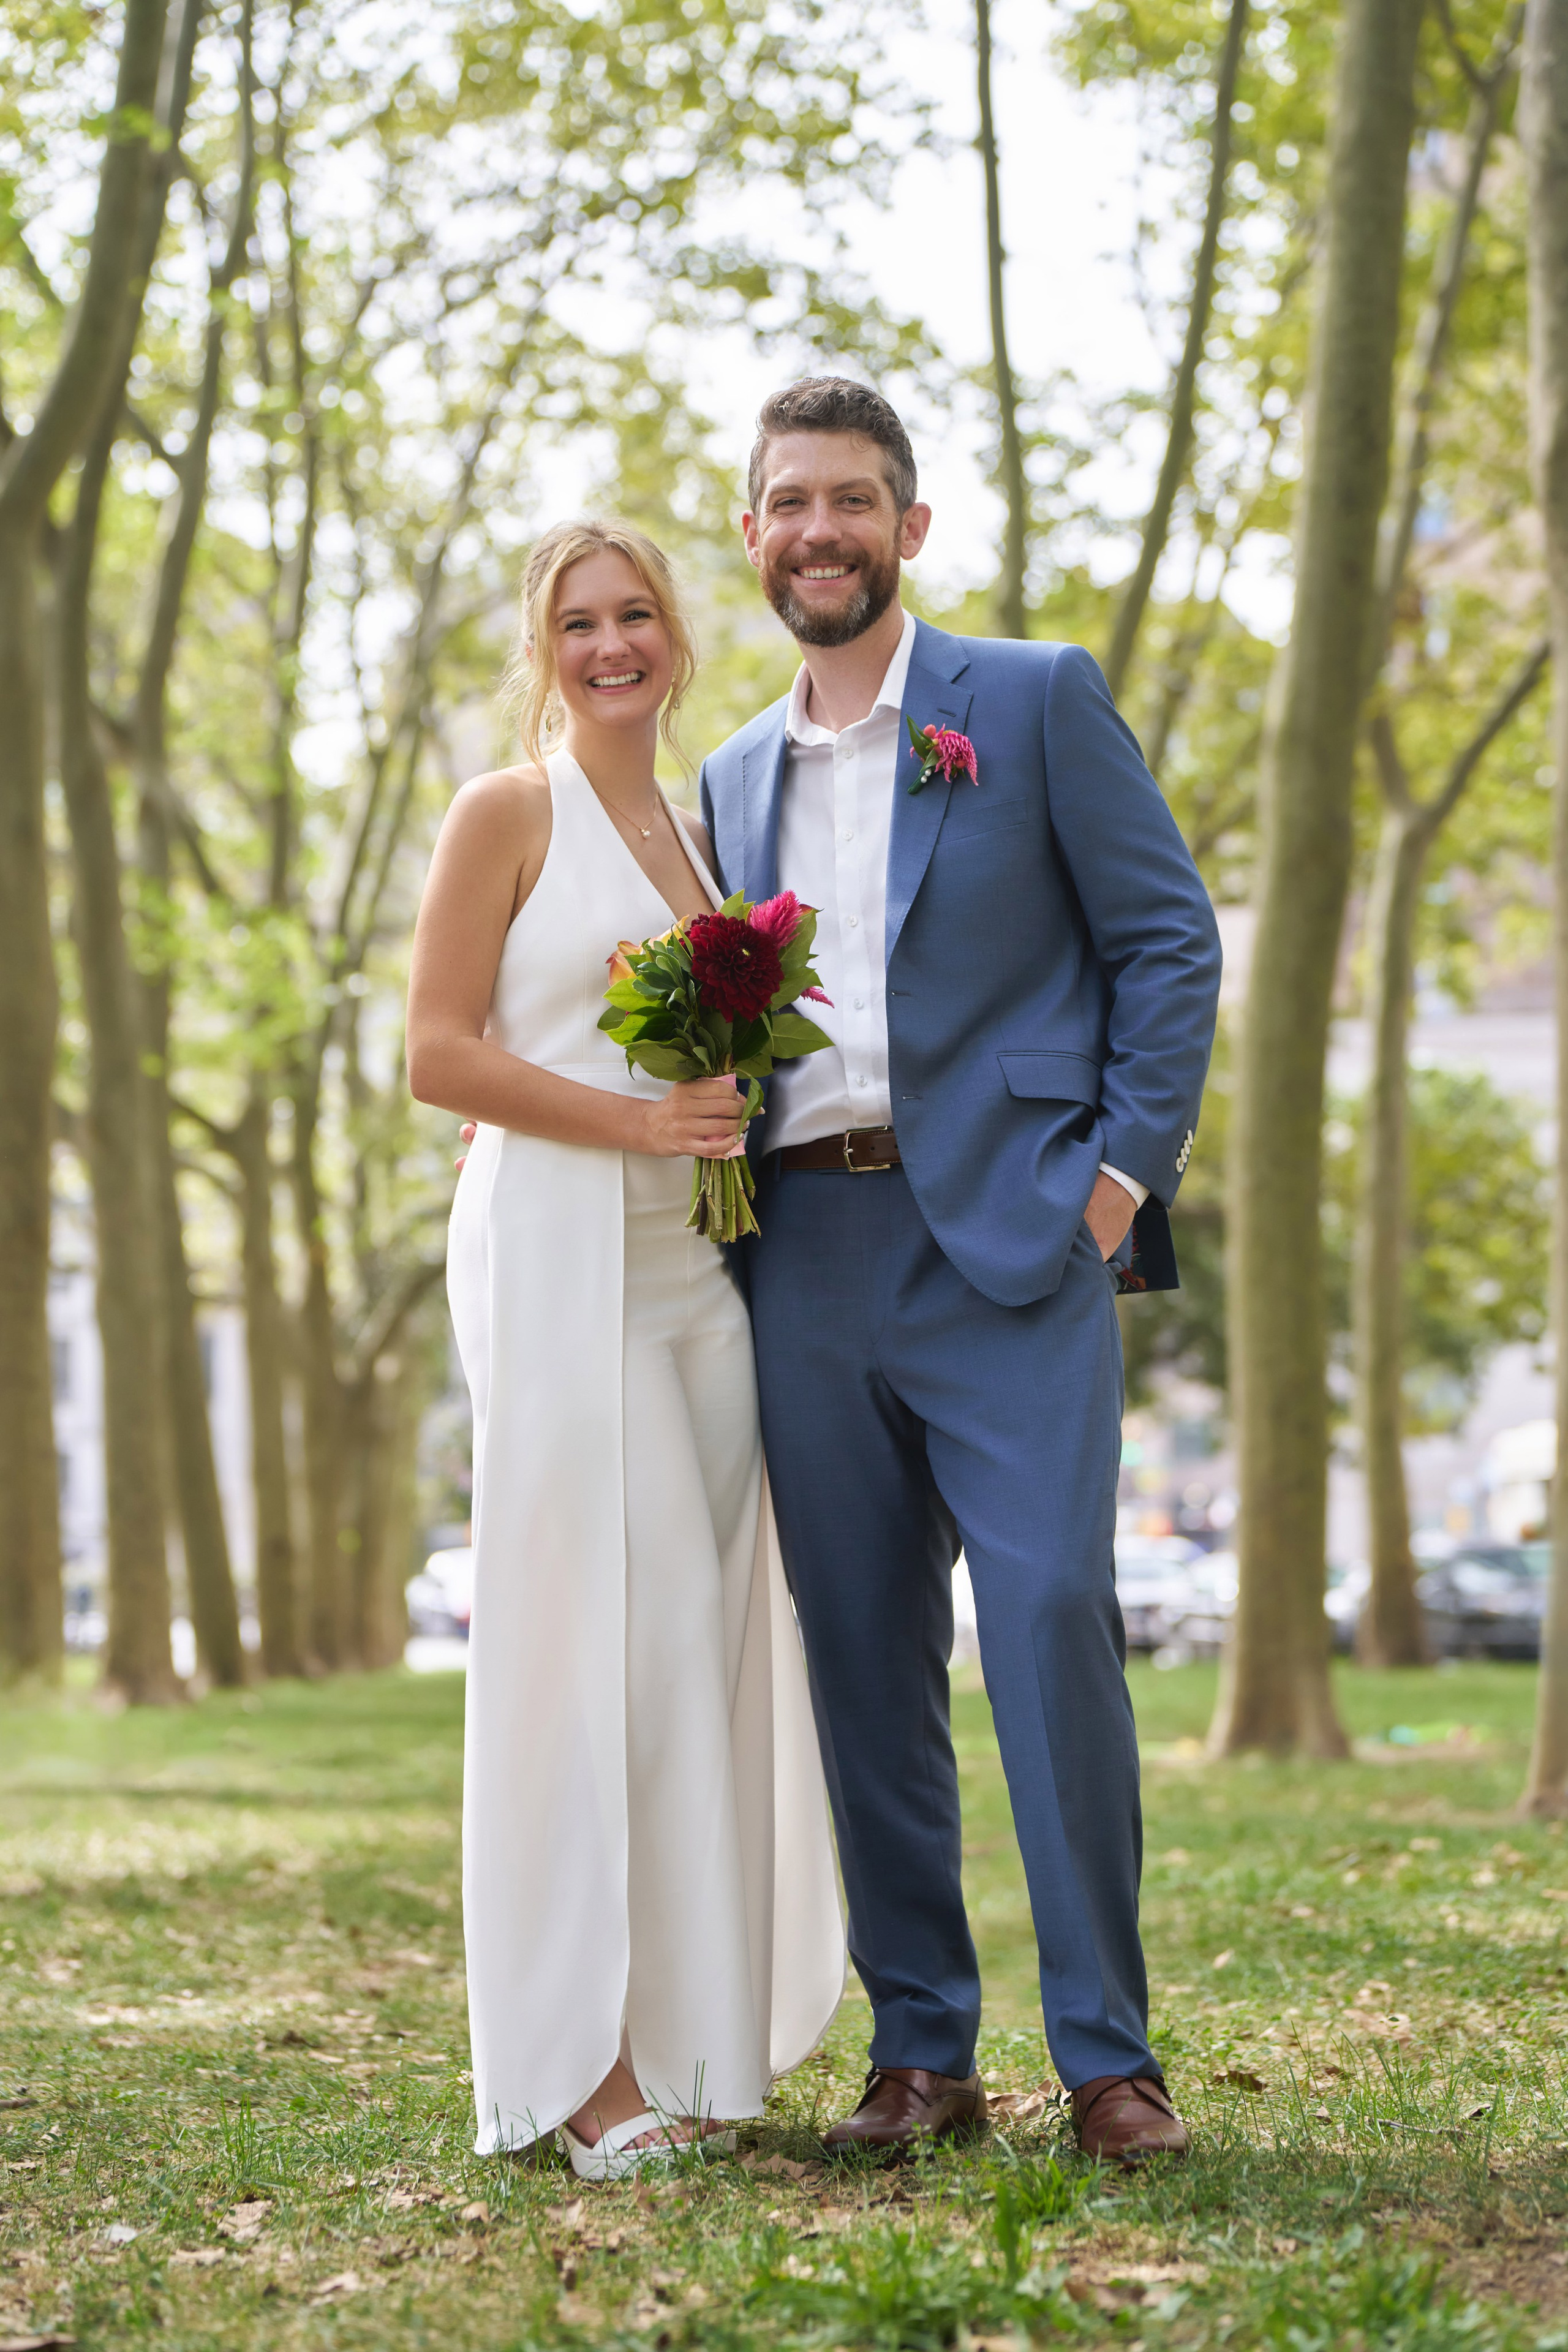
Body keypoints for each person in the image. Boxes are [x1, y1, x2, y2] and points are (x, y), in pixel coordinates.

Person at [698, 378, 1223, 2165]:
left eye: (852, 500)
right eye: (788, 503)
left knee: (1058, 1621)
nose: (819, 531)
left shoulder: (1035, 697)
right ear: (754, 533)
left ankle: (1110, 2061)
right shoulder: (724, 775)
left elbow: (1166, 942)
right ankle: (922, 2051)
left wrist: (1116, 1180)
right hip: (806, 1250)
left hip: (1013, 1239)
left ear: (908, 527)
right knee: (858, 1651)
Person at [406, 518, 844, 2179]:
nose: (611, 646)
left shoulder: (705, 828)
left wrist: (712, 1129)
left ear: (676, 632)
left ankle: (689, 2038)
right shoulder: (501, 813)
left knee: (706, 1638)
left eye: (638, 614)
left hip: (694, 1266)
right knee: (590, 1640)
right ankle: (577, 2074)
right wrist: (636, 1119)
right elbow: (439, 1056)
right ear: (545, 646)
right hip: (556, 1247)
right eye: (579, 622)